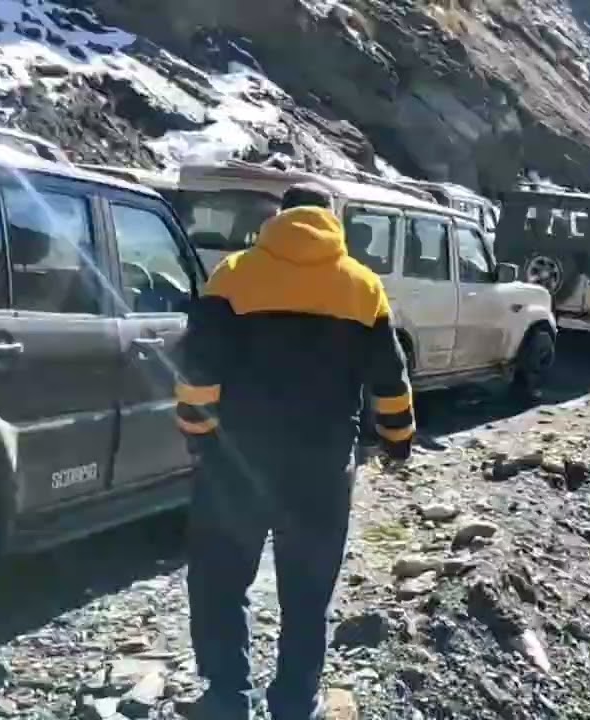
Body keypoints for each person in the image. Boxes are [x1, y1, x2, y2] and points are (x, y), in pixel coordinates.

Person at [174, 193, 415, 720]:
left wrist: (198, 437)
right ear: (332, 219)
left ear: (277, 219)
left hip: (237, 464)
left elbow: (198, 372)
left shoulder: (233, 275)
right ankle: (295, 703)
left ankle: (227, 698)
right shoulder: (362, 287)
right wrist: (398, 442)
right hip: (323, 469)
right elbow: (390, 383)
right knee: (307, 594)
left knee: (220, 582)